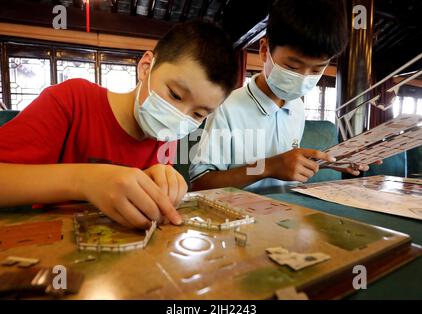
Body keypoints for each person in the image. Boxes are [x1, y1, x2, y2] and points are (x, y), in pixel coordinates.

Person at [0, 21, 238, 228]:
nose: (179, 116)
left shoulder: (168, 138)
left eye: (197, 114)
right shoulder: (72, 101)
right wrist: (82, 180)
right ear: (146, 67)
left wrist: (161, 188)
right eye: (175, 95)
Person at [190, 0, 372, 192]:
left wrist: (330, 160)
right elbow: (200, 182)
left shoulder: (297, 108)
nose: (303, 79)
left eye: (317, 69)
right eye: (292, 67)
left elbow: (287, 167)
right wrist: (267, 167)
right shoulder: (226, 107)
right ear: (263, 50)